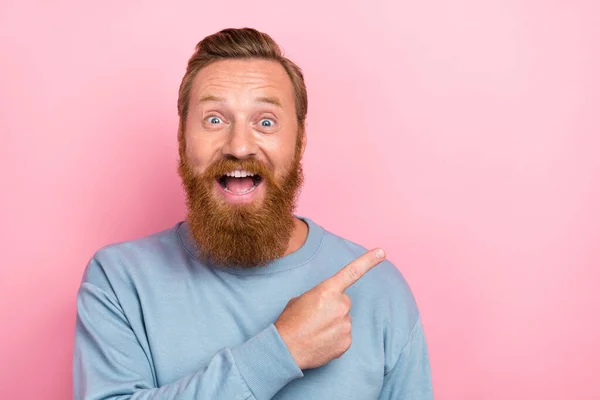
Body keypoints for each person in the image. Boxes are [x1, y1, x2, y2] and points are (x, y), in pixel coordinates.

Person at [73, 27, 433, 400]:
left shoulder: (378, 290)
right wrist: (280, 353)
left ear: (300, 140)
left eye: (265, 122)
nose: (240, 146)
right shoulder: (118, 282)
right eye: (215, 119)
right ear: (182, 138)